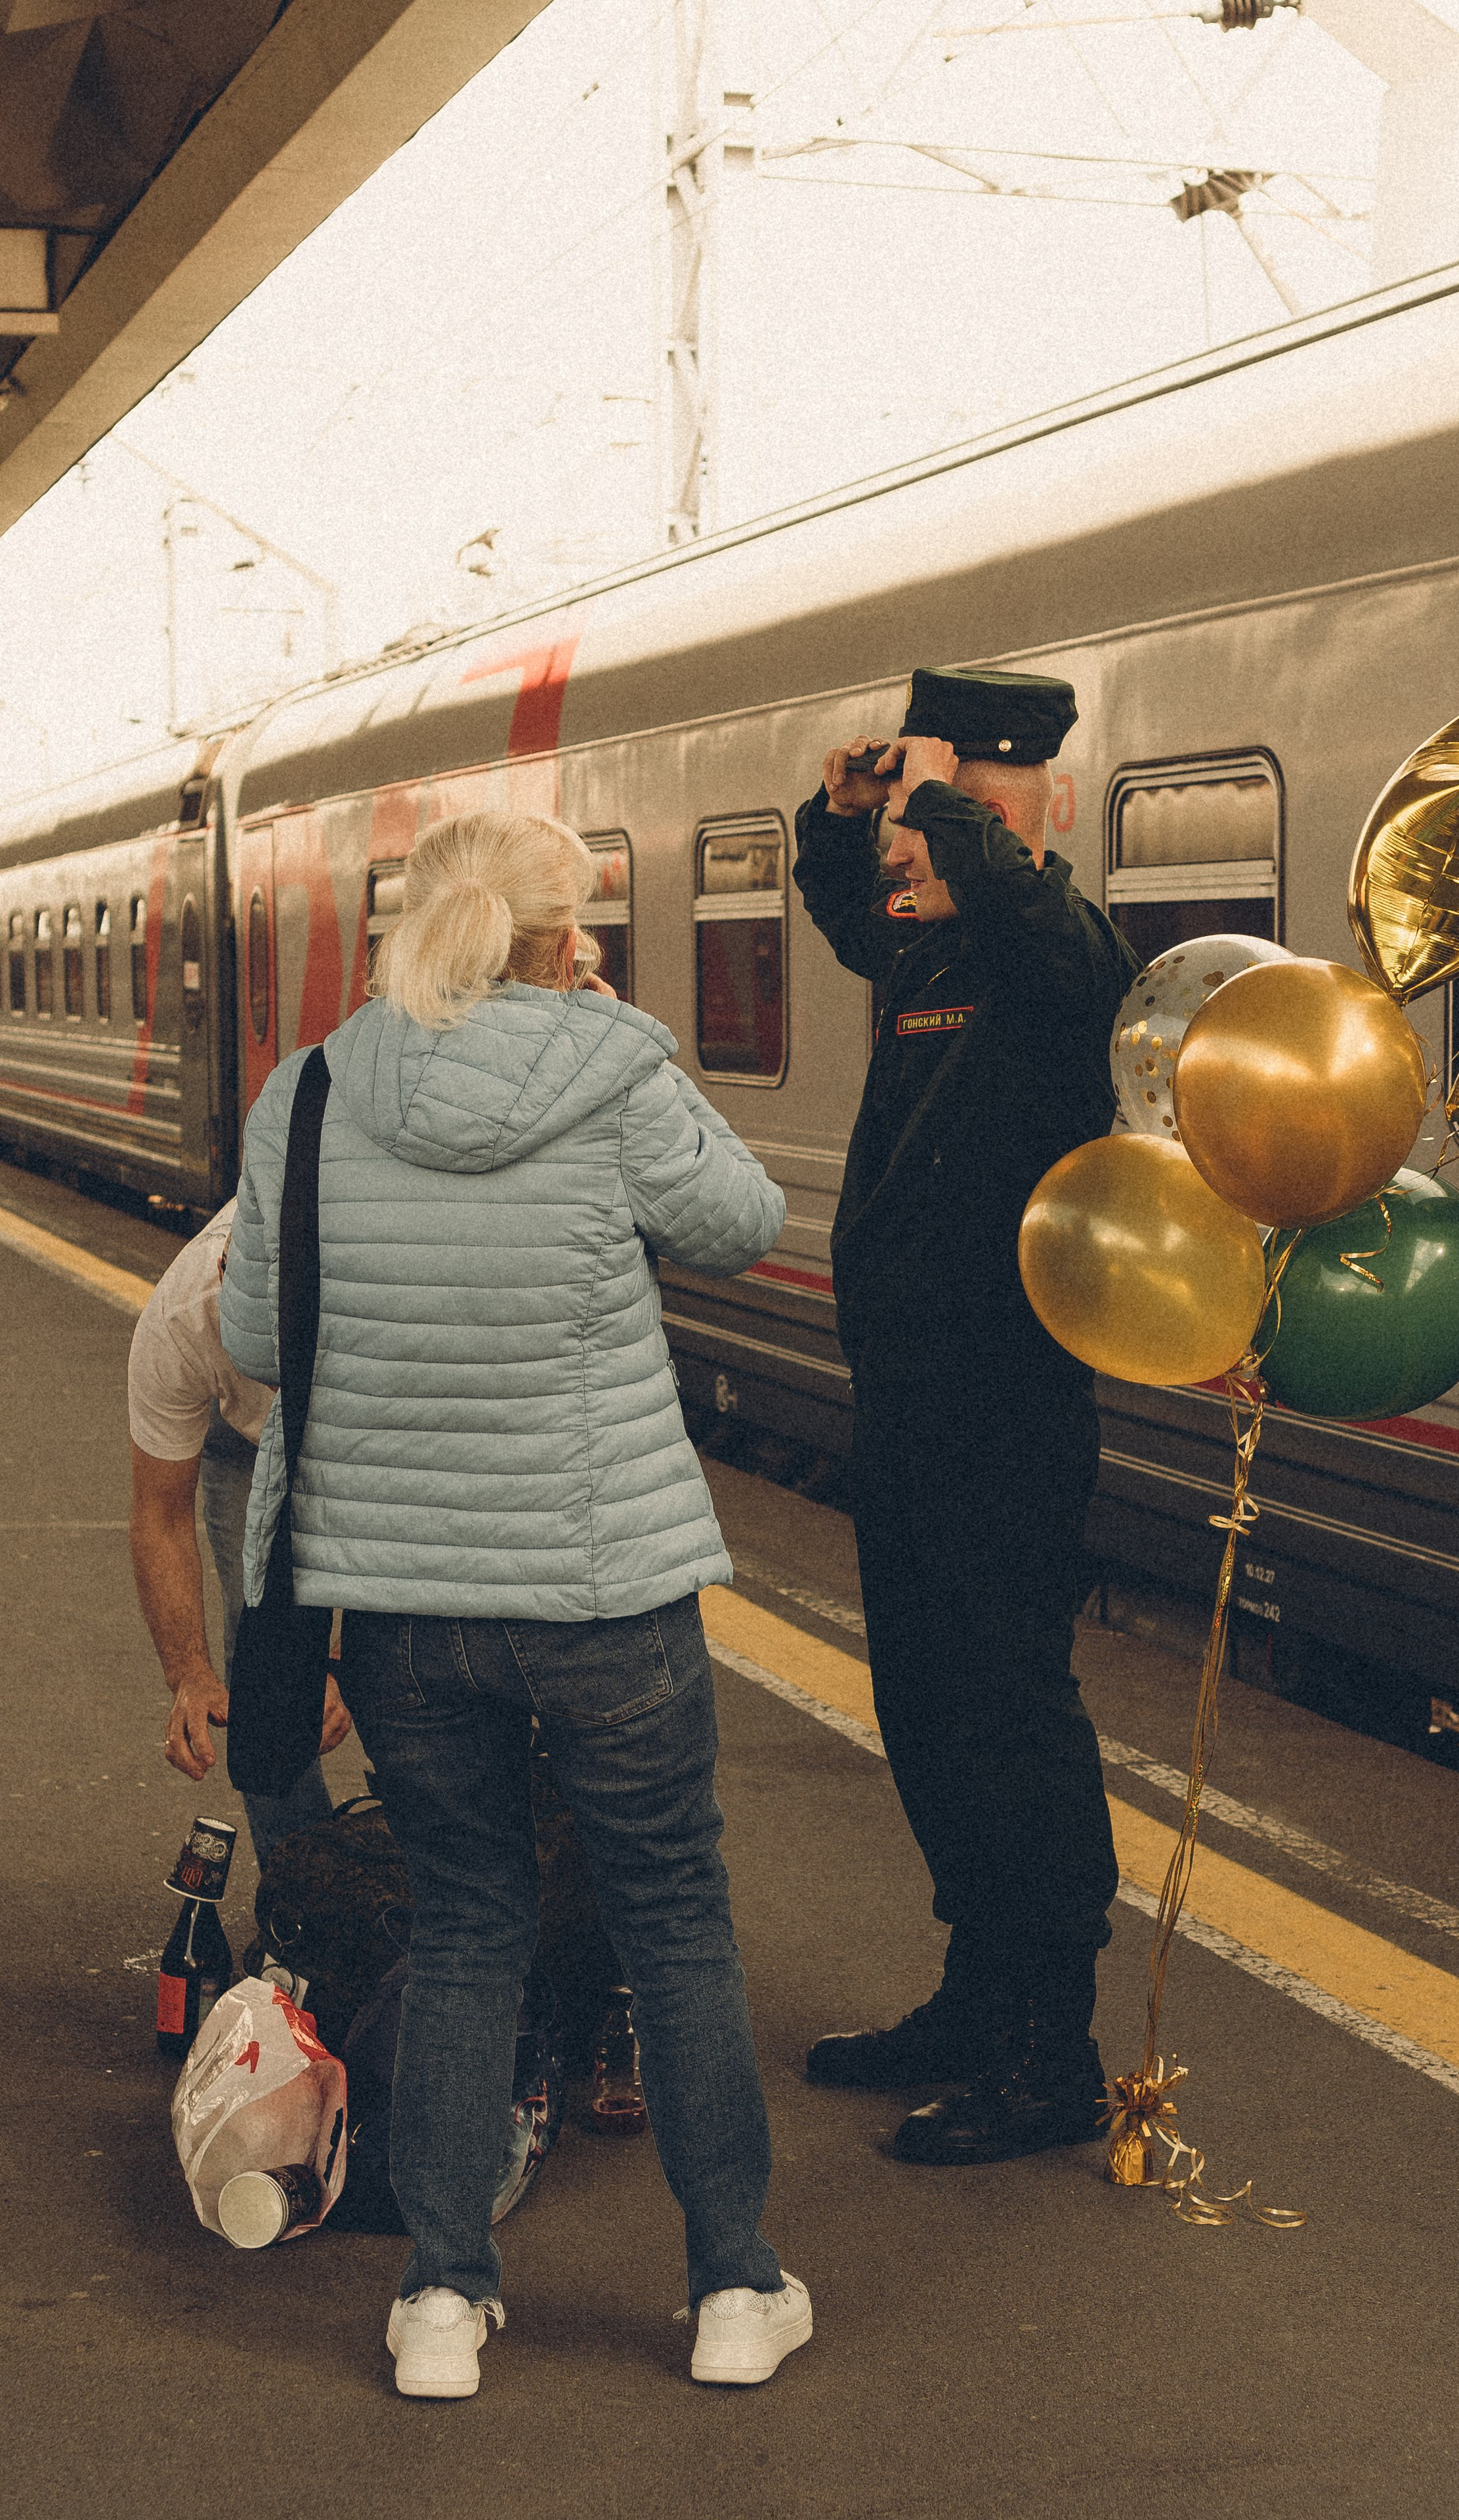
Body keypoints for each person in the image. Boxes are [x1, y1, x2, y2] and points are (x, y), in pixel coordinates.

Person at [221, 810, 810, 2402]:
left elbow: (258, 1335)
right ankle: (734, 2289)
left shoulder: (316, 1089)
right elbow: (743, 1226)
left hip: (403, 1601)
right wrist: (610, 1031)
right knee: (671, 1916)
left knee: (470, 1918)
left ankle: (439, 2300)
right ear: (569, 938)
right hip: (599, 1587)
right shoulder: (612, 1067)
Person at [792, 666, 1132, 2168]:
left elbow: (1028, 920)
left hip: (1007, 1404)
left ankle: (1044, 2043)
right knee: (923, 1705)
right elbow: (854, 917)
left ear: (1009, 813)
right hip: (910, 1396)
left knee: (1005, 1711)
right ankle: (971, 1988)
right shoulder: (932, 963)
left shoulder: (1064, 953)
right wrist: (835, 821)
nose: (904, 873)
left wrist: (943, 798)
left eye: (933, 839)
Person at [129, 1204, 347, 1864]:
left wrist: (339, 1660)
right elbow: (159, 1515)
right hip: (244, 1440)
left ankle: (449, 1894)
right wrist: (188, 1676)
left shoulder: (384, 1302)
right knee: (264, 1670)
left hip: (374, 1426)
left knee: (412, 1671)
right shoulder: (179, 1321)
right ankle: (303, 1893)